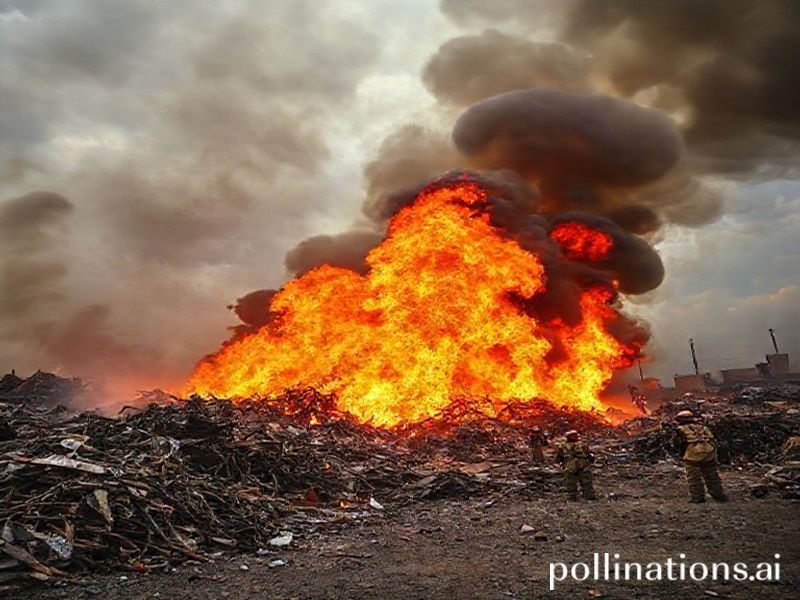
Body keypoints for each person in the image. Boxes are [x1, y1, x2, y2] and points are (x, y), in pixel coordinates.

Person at [672, 410, 727, 504]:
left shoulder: (680, 429)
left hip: (693, 454)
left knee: (694, 477)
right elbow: (712, 439)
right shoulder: (703, 427)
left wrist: (681, 453)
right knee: (712, 475)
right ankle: (718, 495)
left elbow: (678, 443)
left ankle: (698, 498)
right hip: (709, 452)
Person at [555, 430, 596, 501]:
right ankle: (589, 496)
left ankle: (572, 497)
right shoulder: (582, 445)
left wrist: (559, 462)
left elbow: (559, 457)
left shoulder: (562, 446)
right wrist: (591, 461)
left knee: (571, 483)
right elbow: (589, 454)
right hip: (582, 465)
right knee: (586, 482)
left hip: (570, 467)